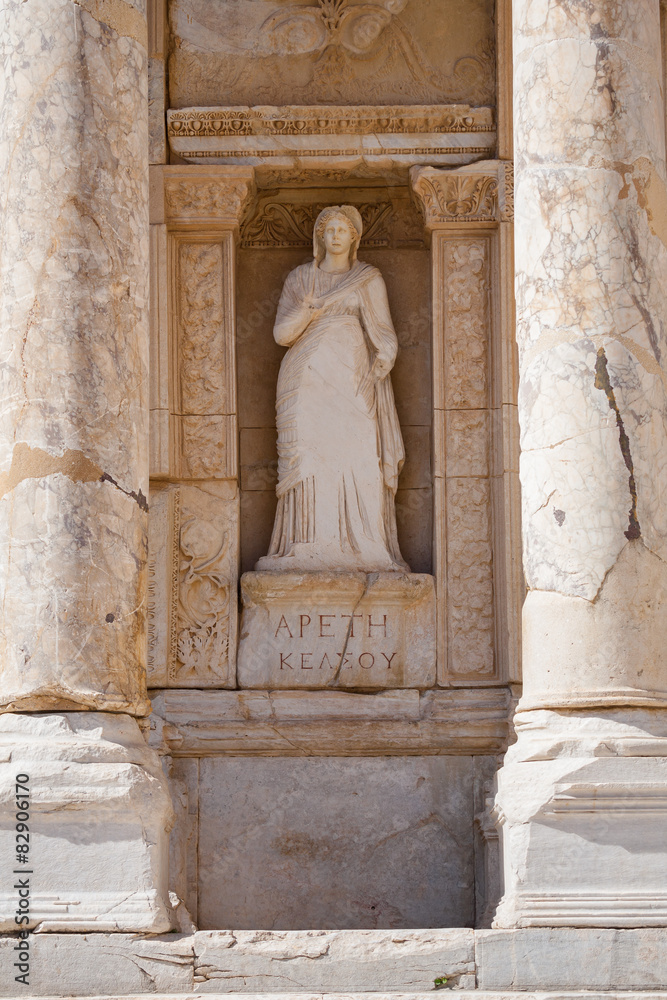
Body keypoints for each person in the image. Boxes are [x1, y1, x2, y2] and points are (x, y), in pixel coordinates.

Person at [256, 205, 409, 573]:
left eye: (343, 229)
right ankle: (308, 542)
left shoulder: (368, 279)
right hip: (305, 378)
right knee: (310, 457)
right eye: (330, 230)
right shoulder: (301, 279)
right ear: (319, 237)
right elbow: (281, 335)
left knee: (359, 453)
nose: (336, 235)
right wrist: (309, 311)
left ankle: (369, 543)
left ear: (354, 238)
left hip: (354, 376)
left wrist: (386, 356)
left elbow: (385, 333)